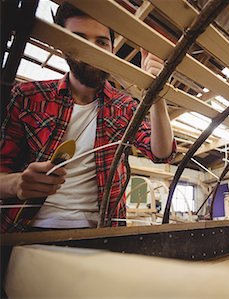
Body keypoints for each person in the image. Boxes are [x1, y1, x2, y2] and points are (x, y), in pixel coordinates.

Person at [0, 2, 176, 232]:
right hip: (26, 229)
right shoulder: (28, 96)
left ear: (112, 48)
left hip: (101, 232)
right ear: (63, 45)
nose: (92, 50)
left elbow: (162, 154)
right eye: (80, 39)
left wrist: (157, 94)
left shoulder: (124, 106)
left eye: (101, 42)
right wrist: (17, 183)